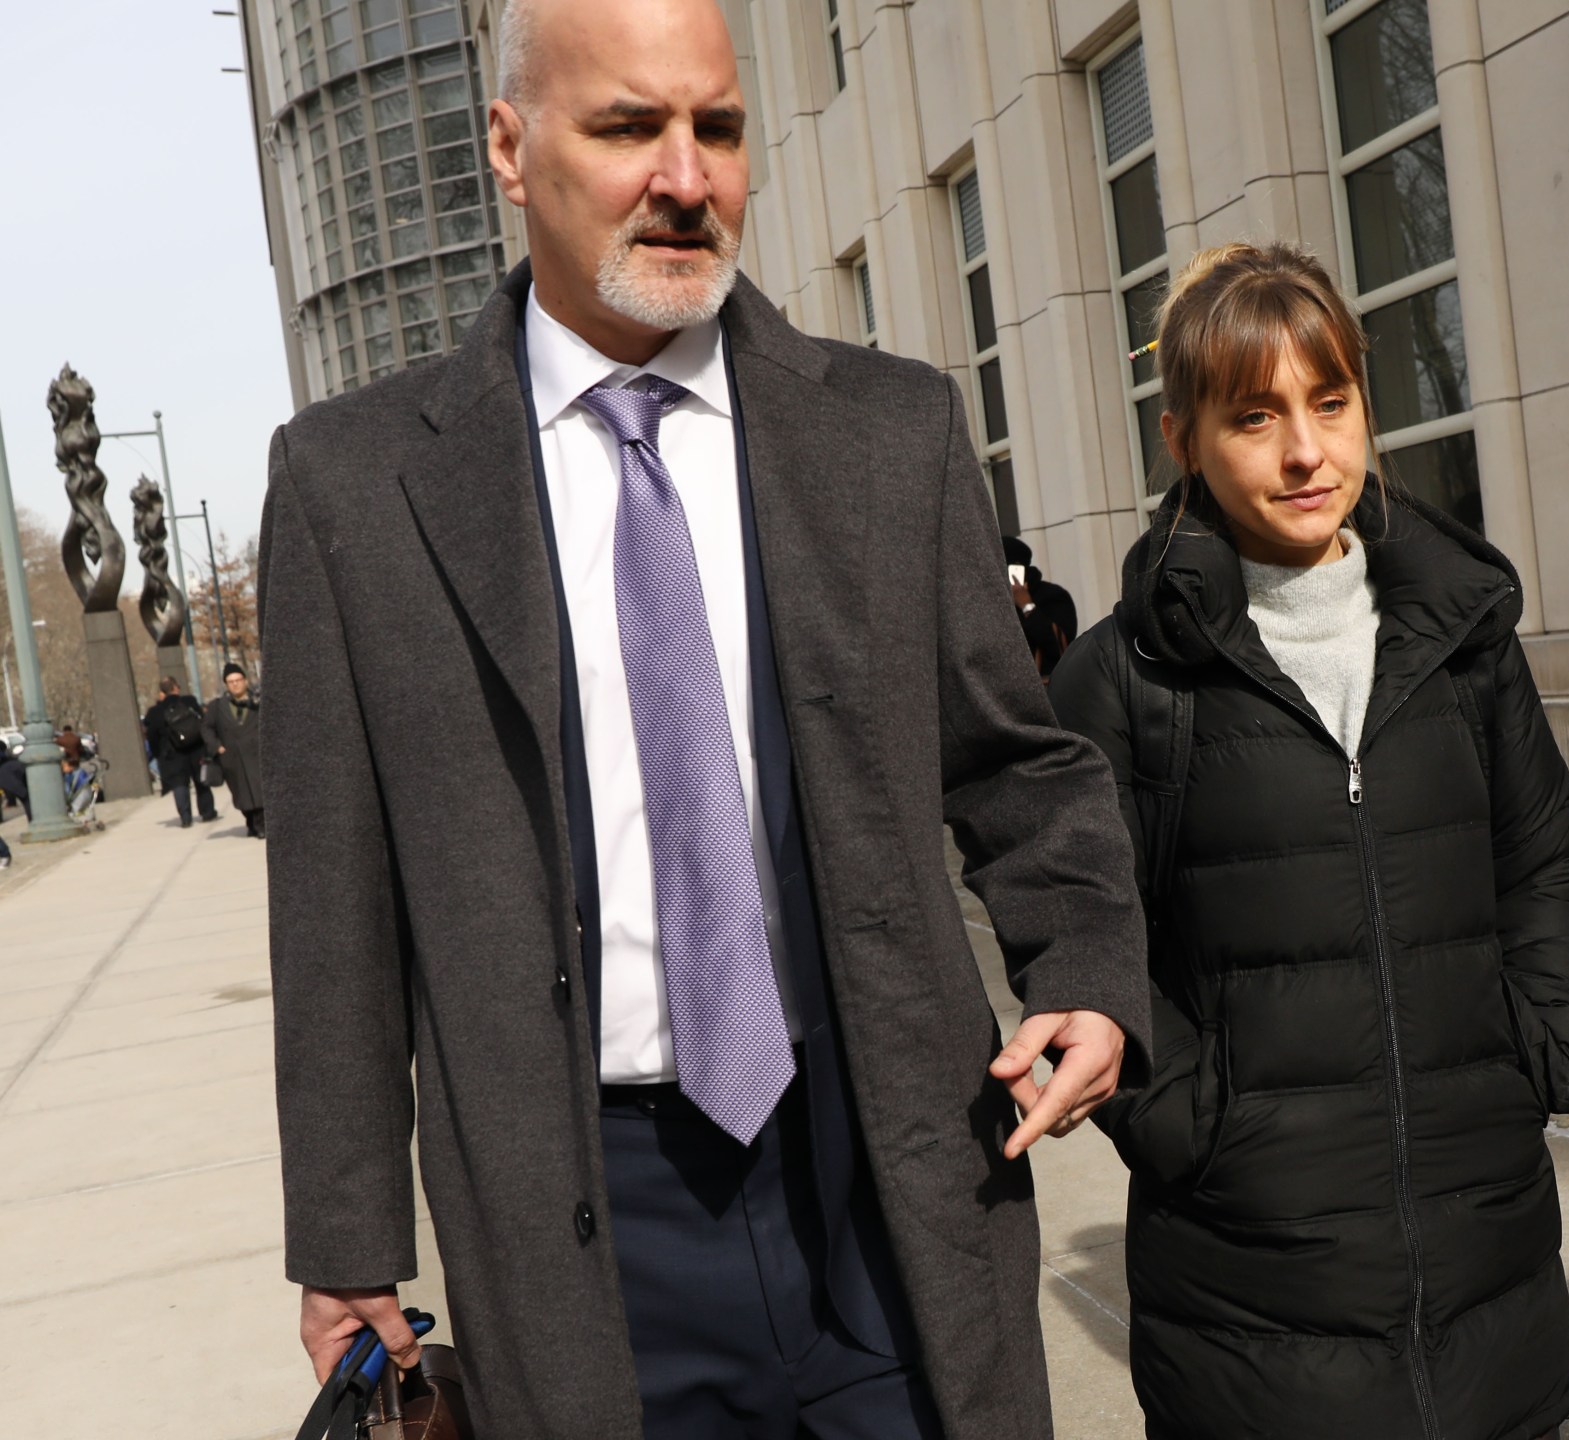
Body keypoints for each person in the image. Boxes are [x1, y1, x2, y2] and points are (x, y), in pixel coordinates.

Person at [259, 1, 1148, 1435]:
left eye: (717, 127)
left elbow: (1016, 764)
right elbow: (333, 904)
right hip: (584, 1231)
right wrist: (346, 1233)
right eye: (627, 127)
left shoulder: (887, 431)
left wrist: (1089, 968)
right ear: (508, 143)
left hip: (887, 1188)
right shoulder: (353, 489)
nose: (687, 177)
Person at [1048, 242, 1569, 1440]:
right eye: (1255, 416)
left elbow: (1543, 852)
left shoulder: (1460, 632)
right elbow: (1079, 934)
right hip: (1250, 1288)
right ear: (1182, 438)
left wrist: (1543, 1036)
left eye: (1331, 403)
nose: (1307, 453)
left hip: (1484, 1253)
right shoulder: (1124, 676)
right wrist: (1189, 1121)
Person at [141, 677, 220, 829]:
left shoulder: (155, 712)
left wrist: (158, 754)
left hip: (172, 754)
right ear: (176, 688)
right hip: (195, 748)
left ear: (162, 692)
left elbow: (151, 737)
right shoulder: (189, 701)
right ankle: (207, 812)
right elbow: (202, 722)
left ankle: (185, 817)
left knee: (179, 785)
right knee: (201, 782)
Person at [1003, 535, 1077, 680]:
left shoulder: (1052, 596)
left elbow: (1060, 646)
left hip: (1046, 691)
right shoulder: (995, 602)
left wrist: (1027, 606)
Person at [204, 663, 266, 839]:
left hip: (256, 755)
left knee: (259, 791)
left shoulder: (258, 702)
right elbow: (207, 728)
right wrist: (216, 746)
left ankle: (261, 825)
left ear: (245, 681)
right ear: (226, 684)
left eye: (238, 680)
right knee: (241, 794)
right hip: (232, 758)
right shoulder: (218, 706)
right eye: (231, 681)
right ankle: (251, 822)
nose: (235, 684)